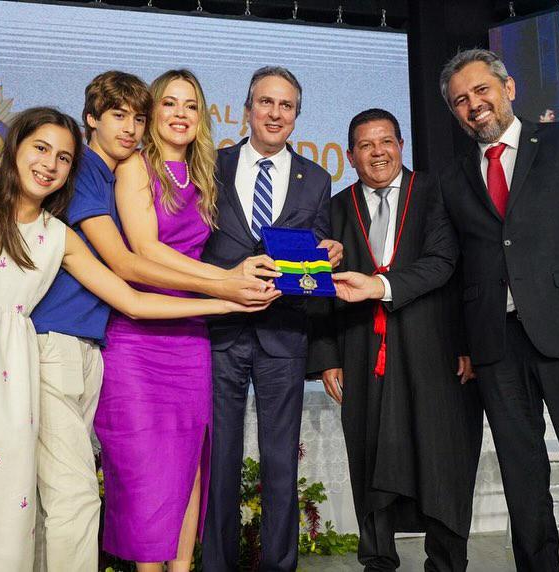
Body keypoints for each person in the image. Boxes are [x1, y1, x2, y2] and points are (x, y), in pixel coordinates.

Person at [0, 107, 264, 571]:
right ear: (14, 147)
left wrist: (228, 303)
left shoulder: (59, 237)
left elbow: (134, 302)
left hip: (8, 376)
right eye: (41, 149)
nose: (50, 164)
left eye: (64, 158)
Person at [29, 72, 274, 572]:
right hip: (137, 335)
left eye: (191, 104)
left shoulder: (206, 173)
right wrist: (223, 286)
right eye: (168, 104)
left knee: (189, 466)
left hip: (190, 336)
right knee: (145, 474)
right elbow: (141, 252)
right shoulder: (134, 168)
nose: (180, 113)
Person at [423, 49, 559, 570]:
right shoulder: (451, 177)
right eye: (460, 101)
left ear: (509, 88)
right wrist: (464, 346)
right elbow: (453, 269)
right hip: (496, 348)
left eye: (481, 91)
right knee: (524, 486)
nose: (474, 105)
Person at [308, 108, 483, 571]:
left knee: (442, 452)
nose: (377, 152)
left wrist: (468, 343)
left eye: (386, 141)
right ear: (350, 156)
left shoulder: (435, 192)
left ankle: (445, 562)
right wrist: (327, 356)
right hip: (362, 347)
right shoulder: (335, 208)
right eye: (365, 146)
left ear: (401, 145)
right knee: (369, 450)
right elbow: (322, 285)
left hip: (436, 345)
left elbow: (450, 263)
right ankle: (378, 559)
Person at [201, 66, 341, 572]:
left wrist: (330, 253)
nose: (275, 113)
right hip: (219, 329)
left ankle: (279, 566)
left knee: (281, 462)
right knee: (221, 460)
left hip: (283, 333)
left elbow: (317, 253)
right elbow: (192, 243)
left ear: (297, 115)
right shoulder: (210, 165)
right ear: (248, 108)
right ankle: (217, 564)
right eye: (266, 103)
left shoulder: (317, 177)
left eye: (286, 106)